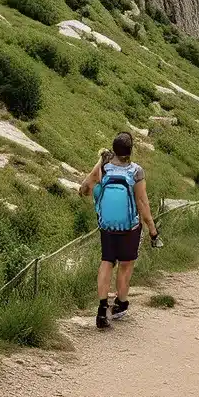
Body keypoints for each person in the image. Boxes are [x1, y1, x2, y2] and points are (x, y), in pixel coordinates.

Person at [80, 131, 162, 329]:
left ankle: (101, 311)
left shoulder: (104, 167)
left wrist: (94, 172)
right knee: (125, 266)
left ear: (113, 149)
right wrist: (153, 230)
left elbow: (85, 188)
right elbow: (142, 203)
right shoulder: (136, 172)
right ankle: (119, 305)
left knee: (107, 262)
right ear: (130, 150)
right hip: (130, 227)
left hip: (107, 226)